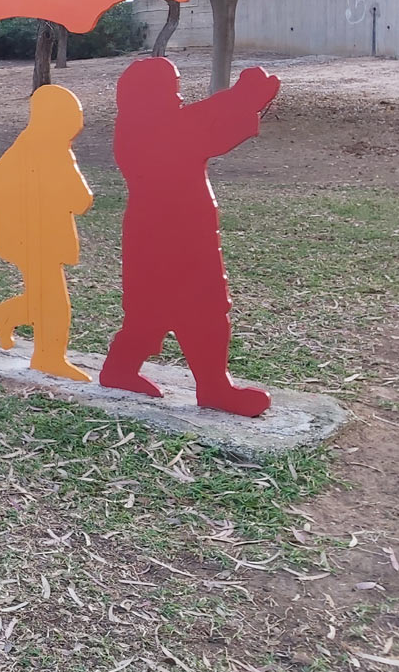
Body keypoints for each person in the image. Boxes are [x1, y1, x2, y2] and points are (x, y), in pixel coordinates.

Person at [99, 57, 280, 417]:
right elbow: (197, 125)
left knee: (173, 309)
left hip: (175, 232)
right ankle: (209, 386)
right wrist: (242, 96)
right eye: (170, 89)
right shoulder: (142, 131)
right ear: (145, 95)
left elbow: (202, 127)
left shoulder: (154, 126)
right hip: (167, 235)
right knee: (193, 306)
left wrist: (243, 99)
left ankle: (135, 371)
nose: (178, 96)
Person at [0, 85, 94, 381]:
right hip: (34, 240)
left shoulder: (28, 143)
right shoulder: (53, 150)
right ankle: (49, 357)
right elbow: (81, 200)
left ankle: (6, 315)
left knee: (44, 295)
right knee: (54, 301)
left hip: (33, 239)